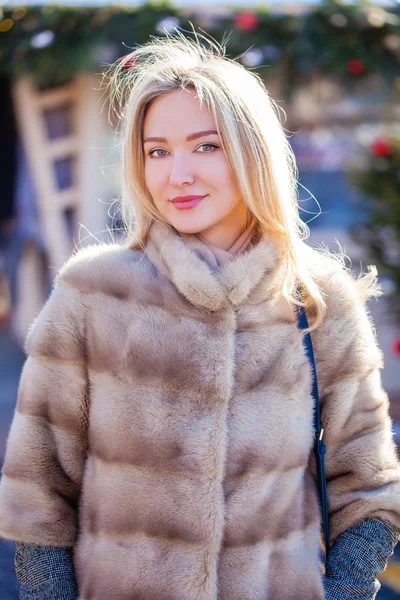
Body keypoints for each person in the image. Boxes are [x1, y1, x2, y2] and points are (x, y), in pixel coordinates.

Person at [0, 33, 400, 600]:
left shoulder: (317, 299)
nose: (177, 174)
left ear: (251, 151)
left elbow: (369, 484)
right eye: (157, 150)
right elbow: (39, 494)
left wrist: (345, 591)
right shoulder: (93, 293)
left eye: (205, 146)